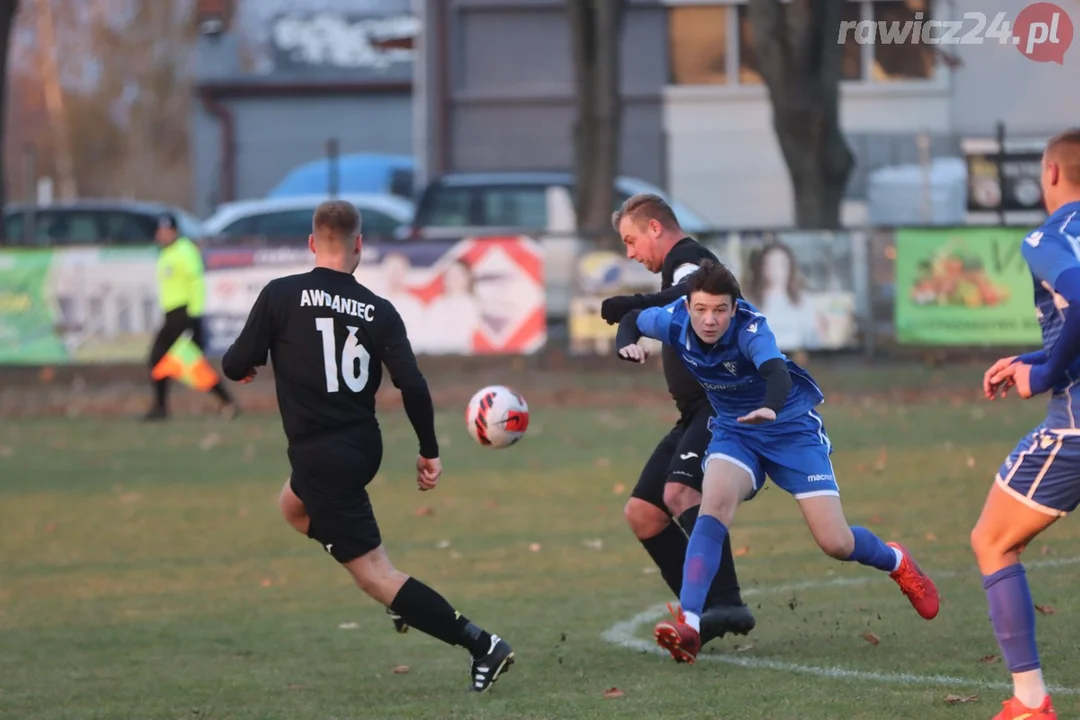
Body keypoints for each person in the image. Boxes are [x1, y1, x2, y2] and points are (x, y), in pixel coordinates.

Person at [219, 200, 514, 693]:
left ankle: (482, 645)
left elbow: (234, 363)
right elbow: (413, 386)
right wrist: (428, 449)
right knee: (292, 507)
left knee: (376, 575)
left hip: (321, 457)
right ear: (359, 245)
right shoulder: (379, 310)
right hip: (362, 445)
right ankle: (404, 602)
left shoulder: (280, 295)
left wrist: (248, 364)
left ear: (312, 243)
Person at [615, 259, 939, 664]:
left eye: (719, 310)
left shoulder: (752, 330)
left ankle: (897, 560)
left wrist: (769, 407)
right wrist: (623, 342)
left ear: (734, 309)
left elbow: (777, 374)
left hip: (790, 432)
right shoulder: (677, 320)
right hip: (736, 433)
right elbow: (631, 319)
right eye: (701, 309)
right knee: (711, 506)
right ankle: (691, 624)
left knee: (835, 542)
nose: (709, 320)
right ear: (689, 306)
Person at [599, 193, 755, 644]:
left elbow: (688, 291)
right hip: (693, 412)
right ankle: (703, 613)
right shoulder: (681, 266)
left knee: (681, 491)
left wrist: (629, 306)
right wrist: (632, 322)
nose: (630, 253)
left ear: (654, 228)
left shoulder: (689, 261)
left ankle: (725, 603)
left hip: (721, 404)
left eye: (631, 240)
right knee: (644, 514)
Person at [972, 128, 1080, 720]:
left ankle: (1031, 703)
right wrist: (1032, 360)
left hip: (1076, 428)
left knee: (993, 540)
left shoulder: (1048, 236)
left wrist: (1045, 376)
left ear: (1053, 174)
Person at [145, 213, 237, 421]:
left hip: (183, 313)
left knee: (158, 358)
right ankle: (226, 401)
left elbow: (196, 283)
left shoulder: (185, 250)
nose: (162, 235)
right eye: (160, 232)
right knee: (188, 363)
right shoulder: (166, 253)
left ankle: (161, 408)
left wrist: (194, 318)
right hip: (172, 314)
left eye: (166, 231)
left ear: (175, 232)